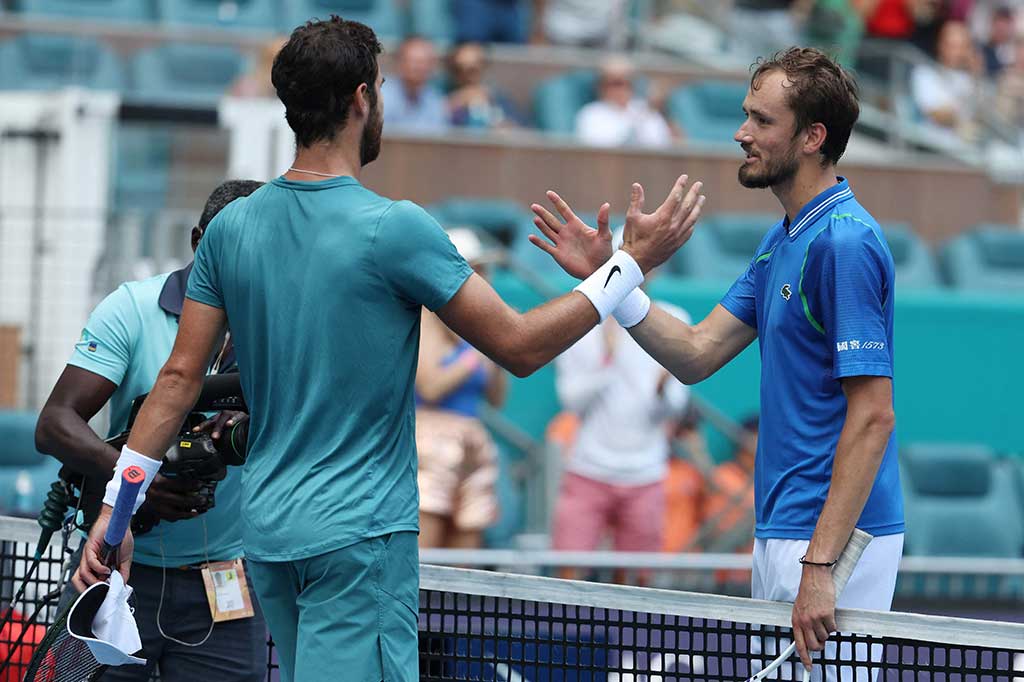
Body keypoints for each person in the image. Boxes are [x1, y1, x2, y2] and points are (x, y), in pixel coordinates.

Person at [75, 16, 707, 682]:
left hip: (269, 542)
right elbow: (519, 348)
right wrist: (627, 267)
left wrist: (115, 521)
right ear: (360, 100)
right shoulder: (395, 227)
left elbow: (177, 379)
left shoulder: (231, 226)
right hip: (357, 543)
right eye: (376, 86)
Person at [531, 46, 903, 672]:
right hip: (785, 528)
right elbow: (697, 353)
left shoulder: (844, 243)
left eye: (761, 120)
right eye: (744, 116)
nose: (741, 133)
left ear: (813, 136)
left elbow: (874, 417)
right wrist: (611, 280)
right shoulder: (784, 237)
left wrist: (819, 563)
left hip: (831, 540)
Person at [35, 180, 266, 682]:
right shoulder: (132, 308)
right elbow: (54, 424)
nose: (244, 269)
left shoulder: (279, 328)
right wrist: (137, 479)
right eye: (228, 250)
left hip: (226, 580)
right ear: (196, 241)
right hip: (114, 566)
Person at [550, 267, 691, 585]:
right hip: (587, 469)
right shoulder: (582, 325)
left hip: (646, 472)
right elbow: (571, 401)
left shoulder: (673, 318)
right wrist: (607, 358)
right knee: (567, 576)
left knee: (638, 582)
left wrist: (663, 390)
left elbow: (676, 407)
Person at [415, 229, 506, 549]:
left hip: (474, 445)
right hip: (429, 442)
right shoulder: (426, 316)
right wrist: (476, 354)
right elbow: (430, 387)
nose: (482, 277)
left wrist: (497, 346)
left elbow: (496, 399)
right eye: (474, 269)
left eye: (482, 270)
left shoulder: (482, 324)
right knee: (426, 564)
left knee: (468, 569)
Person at [575, 56, 675, 148]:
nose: (622, 89)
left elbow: (662, 145)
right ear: (601, 86)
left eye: (627, 82)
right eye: (616, 83)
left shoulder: (647, 109)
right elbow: (597, 149)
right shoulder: (590, 114)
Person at [910, 19, 983, 145]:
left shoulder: (969, 79)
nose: (958, 52)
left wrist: (976, 77)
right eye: (953, 46)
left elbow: (982, 116)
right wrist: (963, 121)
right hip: (931, 149)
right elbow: (936, 115)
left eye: (962, 47)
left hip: (966, 152)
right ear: (940, 45)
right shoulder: (924, 73)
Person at [446, 42, 523, 129]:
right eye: (458, 69)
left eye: (472, 70)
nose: (465, 75)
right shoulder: (444, 98)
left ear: (483, 68)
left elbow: (518, 133)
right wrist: (457, 101)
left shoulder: (499, 99)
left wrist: (490, 114)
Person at [381, 35, 448, 134]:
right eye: (414, 61)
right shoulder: (381, 96)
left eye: (424, 62)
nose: (419, 68)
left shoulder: (435, 101)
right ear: (399, 63)